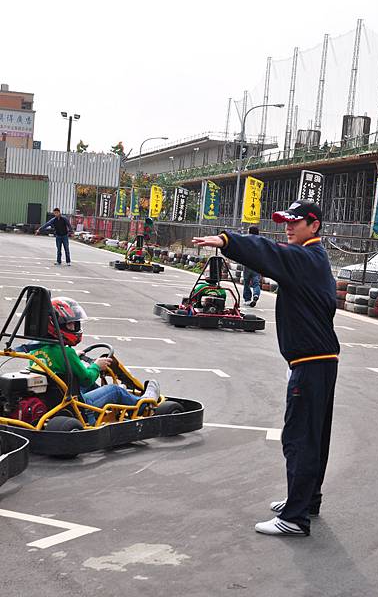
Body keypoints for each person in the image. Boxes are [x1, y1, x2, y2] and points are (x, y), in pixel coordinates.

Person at [193, 199, 340, 537]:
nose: (288, 227)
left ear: (314, 225)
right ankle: (306, 500)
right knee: (314, 437)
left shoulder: (305, 258)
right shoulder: (315, 259)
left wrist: (228, 241)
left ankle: (295, 517)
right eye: (285, 221)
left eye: (295, 222)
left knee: (299, 437)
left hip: (311, 361)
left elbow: (268, 253)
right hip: (318, 360)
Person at [28, 297, 160, 424]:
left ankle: (123, 399)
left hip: (54, 402)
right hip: (79, 408)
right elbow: (87, 378)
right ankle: (143, 404)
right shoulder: (66, 353)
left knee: (89, 386)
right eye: (70, 324)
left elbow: (57, 366)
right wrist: (97, 366)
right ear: (54, 325)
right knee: (115, 390)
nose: (74, 328)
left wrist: (75, 357)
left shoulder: (36, 349)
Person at [242, 226, 261, 307]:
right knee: (256, 283)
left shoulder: (246, 240)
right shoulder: (261, 241)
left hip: (247, 264)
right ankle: (256, 295)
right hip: (257, 264)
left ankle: (247, 299)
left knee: (246, 282)